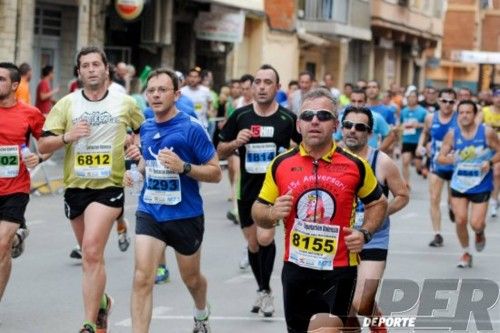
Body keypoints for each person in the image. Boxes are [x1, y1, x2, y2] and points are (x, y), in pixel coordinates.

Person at [251, 87, 388, 332]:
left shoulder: (356, 165)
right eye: (307, 116)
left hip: (338, 270)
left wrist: (365, 232)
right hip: (296, 268)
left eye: (323, 116)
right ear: (298, 125)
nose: (314, 121)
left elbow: (378, 203)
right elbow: (258, 209)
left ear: (335, 124)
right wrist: (271, 214)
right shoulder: (280, 164)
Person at [38, 46, 144, 333]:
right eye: (85, 65)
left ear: (106, 69)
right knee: (90, 256)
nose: (91, 69)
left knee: (91, 249)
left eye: (96, 64)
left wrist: (135, 146)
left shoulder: (124, 103)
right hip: (76, 186)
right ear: (79, 72)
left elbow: (143, 129)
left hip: (108, 186)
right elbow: (43, 145)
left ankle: (88, 323)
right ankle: (102, 303)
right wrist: (67, 136)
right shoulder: (67, 104)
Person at [126, 68, 221, 333]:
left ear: (176, 94)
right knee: (142, 278)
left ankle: (201, 311)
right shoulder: (144, 127)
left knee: (191, 279)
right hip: (151, 211)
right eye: (151, 90)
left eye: (162, 90)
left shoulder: (192, 128)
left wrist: (185, 168)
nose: (156, 95)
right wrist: (136, 172)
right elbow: (148, 163)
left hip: (185, 215)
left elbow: (215, 172)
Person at [217, 64, 301, 317]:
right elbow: (220, 150)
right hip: (247, 190)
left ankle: (265, 292)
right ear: (252, 87)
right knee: (253, 244)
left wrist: (290, 157)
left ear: (277, 87)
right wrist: (235, 142)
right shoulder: (240, 116)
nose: (262, 87)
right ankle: (263, 289)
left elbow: (304, 150)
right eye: (258, 82)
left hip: (274, 191)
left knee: (265, 239)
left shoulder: (287, 119)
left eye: (268, 82)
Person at [340, 106, 409, 332]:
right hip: (338, 240)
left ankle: (378, 325)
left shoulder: (382, 162)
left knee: (361, 303)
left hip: (373, 238)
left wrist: (379, 213)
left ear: (369, 133)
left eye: (360, 127)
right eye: (348, 125)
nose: (352, 130)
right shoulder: (331, 158)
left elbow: (402, 195)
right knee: (343, 306)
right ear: (341, 128)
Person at [0, 62, 46, 307]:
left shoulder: (30, 113)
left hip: (14, 188)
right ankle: (18, 236)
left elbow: (47, 145)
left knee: (0, 246)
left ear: (15, 85)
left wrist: (38, 156)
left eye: (1, 79)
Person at [437, 100, 500, 268]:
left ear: (475, 115)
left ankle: (479, 232)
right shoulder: (452, 134)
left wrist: (490, 163)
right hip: (459, 184)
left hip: (481, 183)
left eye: (468, 112)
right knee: (460, 220)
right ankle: (466, 252)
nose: (464, 116)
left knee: (476, 223)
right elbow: (440, 157)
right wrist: (453, 158)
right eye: (461, 112)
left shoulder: (486, 133)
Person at [416, 88, 458, 247]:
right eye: (444, 101)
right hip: (436, 164)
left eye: (451, 102)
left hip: (455, 166)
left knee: (453, 201)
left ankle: (452, 207)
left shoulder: (459, 118)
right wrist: (420, 145)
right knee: (434, 198)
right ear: (438, 101)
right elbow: (425, 133)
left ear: (455, 103)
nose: (447, 105)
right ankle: (437, 234)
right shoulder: (430, 118)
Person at [400, 90, 427, 186]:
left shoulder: (423, 111)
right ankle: (406, 183)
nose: (411, 99)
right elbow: (400, 124)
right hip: (406, 140)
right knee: (405, 161)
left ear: (417, 98)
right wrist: (401, 127)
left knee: (417, 165)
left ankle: (422, 167)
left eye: (413, 97)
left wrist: (419, 125)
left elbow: (428, 126)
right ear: (407, 99)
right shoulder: (403, 111)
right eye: (409, 97)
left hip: (418, 141)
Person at [480, 88, 500, 217]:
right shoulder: (484, 111)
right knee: (485, 173)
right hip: (486, 148)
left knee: (497, 172)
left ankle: (493, 201)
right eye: (497, 96)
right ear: (493, 98)